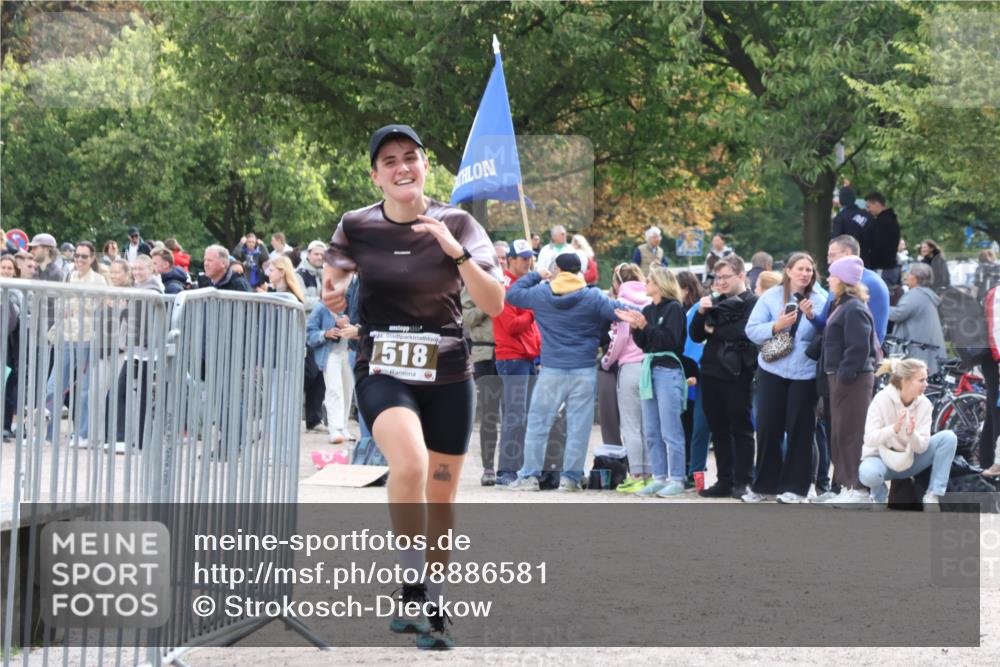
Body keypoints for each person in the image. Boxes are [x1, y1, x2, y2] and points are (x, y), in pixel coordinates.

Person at [321, 124, 504, 650]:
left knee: (442, 497)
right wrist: (332, 293)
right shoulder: (356, 225)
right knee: (410, 466)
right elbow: (331, 280)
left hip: (449, 375)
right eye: (390, 161)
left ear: (425, 165)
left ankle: (430, 600)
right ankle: (414, 588)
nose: (402, 167)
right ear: (375, 175)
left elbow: (493, 304)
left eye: (411, 157)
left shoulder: (459, 222)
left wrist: (457, 254)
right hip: (383, 368)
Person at [506, 252, 631, 492]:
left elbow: (512, 294)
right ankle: (570, 478)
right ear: (580, 271)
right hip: (584, 369)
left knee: (538, 423)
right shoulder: (593, 296)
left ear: (557, 269)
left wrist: (535, 275)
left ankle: (530, 476)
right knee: (579, 427)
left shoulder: (541, 293)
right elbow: (621, 310)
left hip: (552, 368)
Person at [744, 252, 827, 503]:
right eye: (800, 269)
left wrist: (813, 317)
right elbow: (751, 330)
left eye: (809, 270)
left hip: (804, 374)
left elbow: (827, 332)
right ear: (788, 271)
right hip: (772, 370)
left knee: (801, 430)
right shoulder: (770, 297)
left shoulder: (820, 300)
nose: (805, 274)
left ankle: (796, 488)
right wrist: (776, 326)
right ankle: (764, 486)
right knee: (768, 427)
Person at [613, 266, 688, 497]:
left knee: (670, 428)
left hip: (667, 369)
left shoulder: (675, 308)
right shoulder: (648, 309)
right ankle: (659, 476)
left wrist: (646, 326)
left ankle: (677, 478)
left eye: (650, 280)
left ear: (660, 284)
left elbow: (671, 341)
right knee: (652, 429)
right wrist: (637, 328)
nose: (646, 283)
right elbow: (645, 344)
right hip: (649, 368)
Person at [813, 255, 879, 507]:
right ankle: (847, 484)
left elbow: (859, 347)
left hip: (853, 380)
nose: (828, 279)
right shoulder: (843, 304)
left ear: (842, 279)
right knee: (840, 434)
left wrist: (844, 375)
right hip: (842, 378)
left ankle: (859, 489)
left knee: (852, 433)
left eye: (832, 275)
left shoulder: (854, 307)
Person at [691, 255, 758, 499]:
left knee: (741, 428)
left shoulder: (753, 302)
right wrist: (700, 314)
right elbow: (697, 334)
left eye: (726, 277)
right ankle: (724, 480)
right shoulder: (715, 301)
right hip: (711, 372)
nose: (721, 282)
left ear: (741, 276)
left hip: (738, 374)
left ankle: (743, 481)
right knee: (717, 428)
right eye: (717, 278)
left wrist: (715, 329)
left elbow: (743, 332)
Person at [859, 358, 958, 507]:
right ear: (906, 381)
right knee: (868, 474)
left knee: (949, 438)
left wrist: (912, 435)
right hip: (882, 462)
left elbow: (922, 447)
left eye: (926, 380)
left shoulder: (925, 404)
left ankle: (933, 495)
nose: (926, 384)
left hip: (910, 461)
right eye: (921, 380)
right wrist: (894, 429)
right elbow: (869, 439)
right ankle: (879, 496)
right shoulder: (881, 399)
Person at [45, 241, 108, 445]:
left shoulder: (99, 281)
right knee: (53, 386)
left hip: (87, 338)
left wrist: (81, 308)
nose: (79, 259)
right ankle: (49, 434)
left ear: (92, 259)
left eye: (84, 256)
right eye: (77, 256)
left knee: (83, 389)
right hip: (66, 336)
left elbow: (102, 309)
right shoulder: (68, 276)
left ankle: (82, 433)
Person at [491, 240, 541, 486]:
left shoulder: (524, 287)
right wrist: (533, 309)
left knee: (526, 415)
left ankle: (519, 466)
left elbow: (530, 329)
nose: (527, 262)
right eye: (522, 258)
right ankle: (507, 470)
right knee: (515, 415)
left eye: (529, 257)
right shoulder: (505, 287)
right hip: (512, 357)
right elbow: (511, 325)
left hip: (526, 356)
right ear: (510, 259)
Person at [602, 263, 652, 492]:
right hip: (650, 365)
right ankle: (652, 474)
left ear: (617, 282)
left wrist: (606, 361)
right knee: (648, 425)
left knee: (631, 426)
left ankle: (636, 474)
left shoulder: (622, 303)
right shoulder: (650, 299)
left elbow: (619, 339)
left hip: (630, 366)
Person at [807, 235, 890, 345]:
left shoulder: (872, 283)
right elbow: (824, 323)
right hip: (836, 354)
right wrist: (810, 315)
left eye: (832, 255)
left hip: (858, 357)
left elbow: (876, 334)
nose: (828, 261)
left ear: (847, 254)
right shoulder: (839, 283)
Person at [675, 270, 711, 488]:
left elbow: (693, 345)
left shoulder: (696, 310)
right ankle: (692, 468)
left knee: (693, 425)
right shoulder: (686, 310)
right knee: (689, 424)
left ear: (686, 289)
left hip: (693, 373)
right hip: (690, 370)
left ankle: (693, 469)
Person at [462, 280, 500, 486]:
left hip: (514, 354)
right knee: (489, 414)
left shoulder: (513, 285)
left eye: (503, 259)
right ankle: (488, 467)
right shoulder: (471, 287)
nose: (500, 263)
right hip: (484, 353)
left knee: (518, 415)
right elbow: (467, 318)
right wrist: (488, 303)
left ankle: (512, 467)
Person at [888, 263, 946, 375]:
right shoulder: (926, 294)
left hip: (918, 348)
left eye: (910, 273)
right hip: (926, 346)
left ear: (916, 277)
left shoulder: (916, 294)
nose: (907, 276)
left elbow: (898, 314)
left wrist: (879, 307)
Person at [830, 185, 874, 264]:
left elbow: (835, 241)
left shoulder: (840, 218)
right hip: (867, 262)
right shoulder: (868, 217)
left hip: (846, 262)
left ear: (840, 200)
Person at [864, 191, 901, 286]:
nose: (868, 210)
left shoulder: (883, 222)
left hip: (883, 268)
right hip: (889, 267)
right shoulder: (890, 219)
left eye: (869, 206)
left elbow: (879, 246)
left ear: (877, 204)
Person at [297, 240, 327, 312]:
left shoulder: (326, 274)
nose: (320, 257)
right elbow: (302, 301)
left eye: (322, 255)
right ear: (308, 255)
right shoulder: (299, 274)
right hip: (305, 320)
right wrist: (324, 302)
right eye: (316, 254)